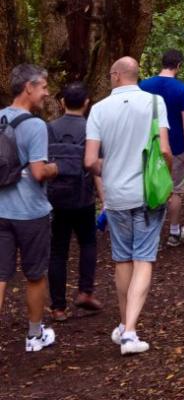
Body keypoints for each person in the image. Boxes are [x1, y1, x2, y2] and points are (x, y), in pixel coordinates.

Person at [85, 57, 171, 356]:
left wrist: (109, 169)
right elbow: (163, 150)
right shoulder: (155, 103)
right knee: (144, 259)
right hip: (147, 194)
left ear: (115, 75)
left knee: (122, 259)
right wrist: (165, 174)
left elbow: (89, 161)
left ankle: (124, 325)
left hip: (116, 196)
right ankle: (130, 333)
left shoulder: (97, 109)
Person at [0, 64, 59, 353]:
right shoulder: (35, 125)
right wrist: (55, 168)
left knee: (0, 274)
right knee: (35, 274)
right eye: (44, 87)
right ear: (29, 88)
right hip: (31, 212)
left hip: (1, 210)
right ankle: (34, 335)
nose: (47, 93)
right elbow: (37, 172)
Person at [47, 83, 102, 321]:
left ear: (62, 103)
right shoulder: (91, 128)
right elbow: (95, 165)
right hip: (83, 196)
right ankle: (85, 291)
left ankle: (58, 307)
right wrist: (103, 195)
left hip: (56, 197)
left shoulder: (49, 128)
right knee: (88, 243)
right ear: (87, 102)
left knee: (58, 250)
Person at [140, 50, 184, 247]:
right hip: (175, 145)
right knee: (175, 190)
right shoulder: (181, 89)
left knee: (150, 186)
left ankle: (150, 233)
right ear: (178, 65)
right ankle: (173, 231)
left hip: (148, 145)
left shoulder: (144, 85)